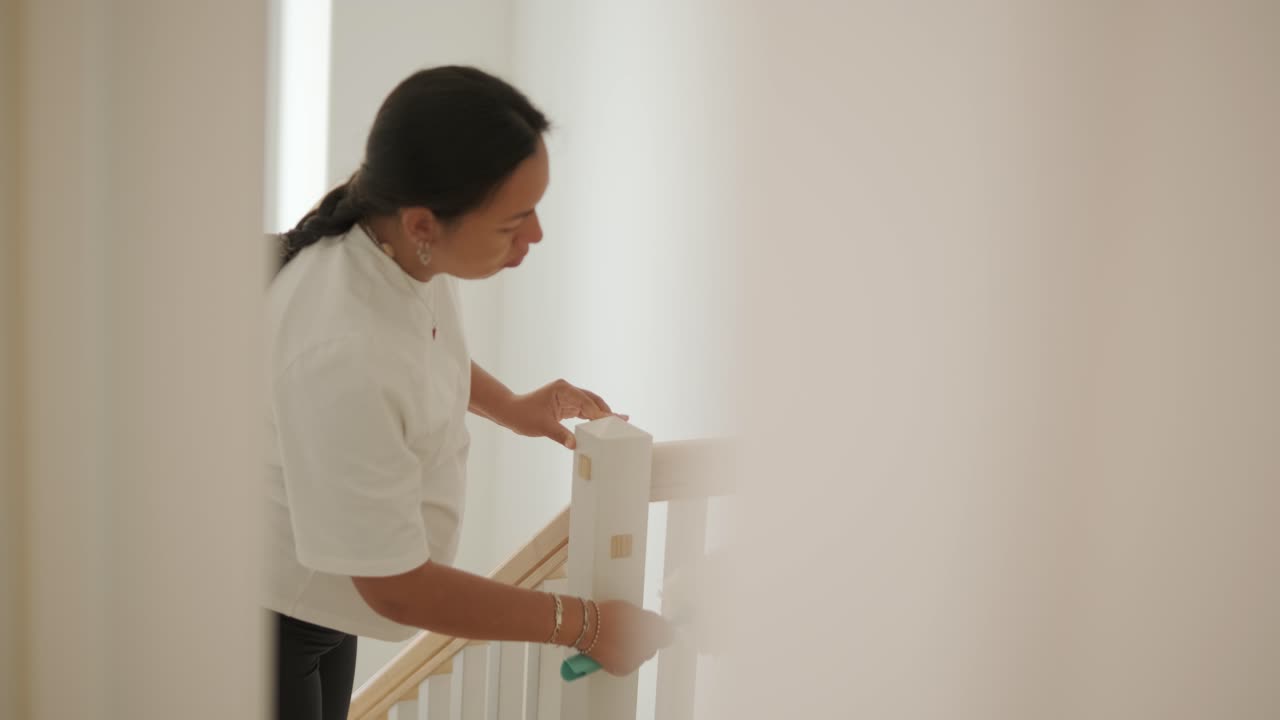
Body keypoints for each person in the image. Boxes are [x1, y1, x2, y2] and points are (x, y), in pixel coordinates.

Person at [264, 66, 672, 720]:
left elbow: (418, 348)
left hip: (324, 603)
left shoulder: (394, 246)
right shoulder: (341, 350)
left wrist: (510, 407)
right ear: (424, 223)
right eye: (515, 221)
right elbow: (398, 589)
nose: (536, 236)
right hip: (271, 617)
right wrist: (586, 625)